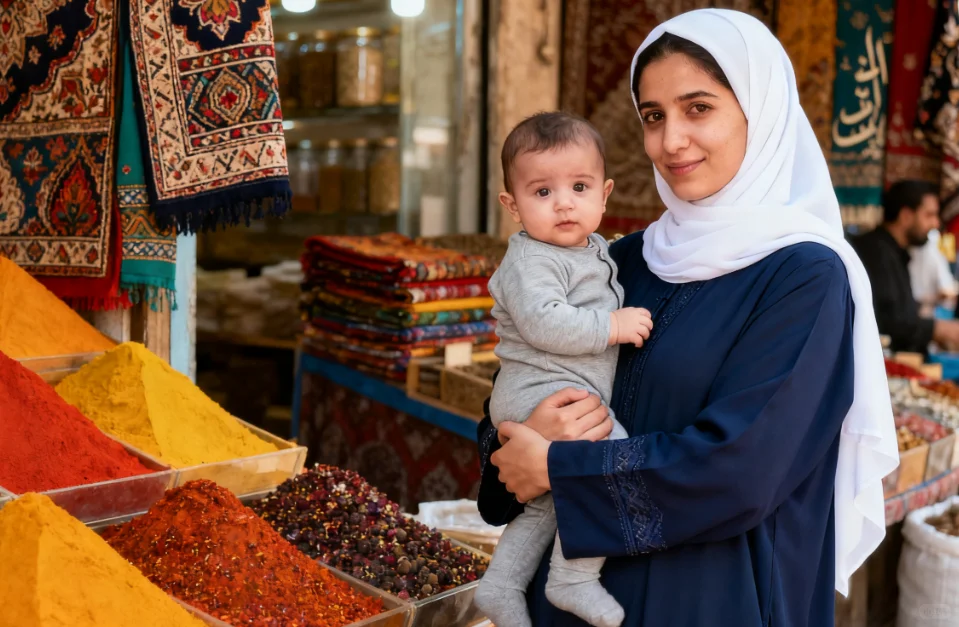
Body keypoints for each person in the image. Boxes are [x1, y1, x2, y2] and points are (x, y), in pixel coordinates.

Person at [475, 9, 898, 627]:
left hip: (710, 598)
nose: (670, 140)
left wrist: (558, 468)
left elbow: (743, 468)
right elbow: (518, 389)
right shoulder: (624, 259)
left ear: (762, 111)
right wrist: (519, 437)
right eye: (653, 116)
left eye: (698, 108)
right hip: (571, 603)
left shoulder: (805, 278)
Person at [473, 112, 654, 627]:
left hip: (553, 391)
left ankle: (501, 585)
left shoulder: (593, 249)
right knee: (610, 458)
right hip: (541, 392)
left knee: (548, 502)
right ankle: (571, 577)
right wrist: (612, 325)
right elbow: (545, 324)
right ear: (512, 205)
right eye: (543, 192)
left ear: (605, 193)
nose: (565, 203)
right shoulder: (532, 260)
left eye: (579, 186)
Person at [852, 180, 959, 352]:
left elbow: (899, 311)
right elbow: (887, 322)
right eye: (929, 215)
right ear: (906, 216)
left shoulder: (893, 252)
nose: (935, 224)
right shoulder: (876, 253)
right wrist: (937, 329)